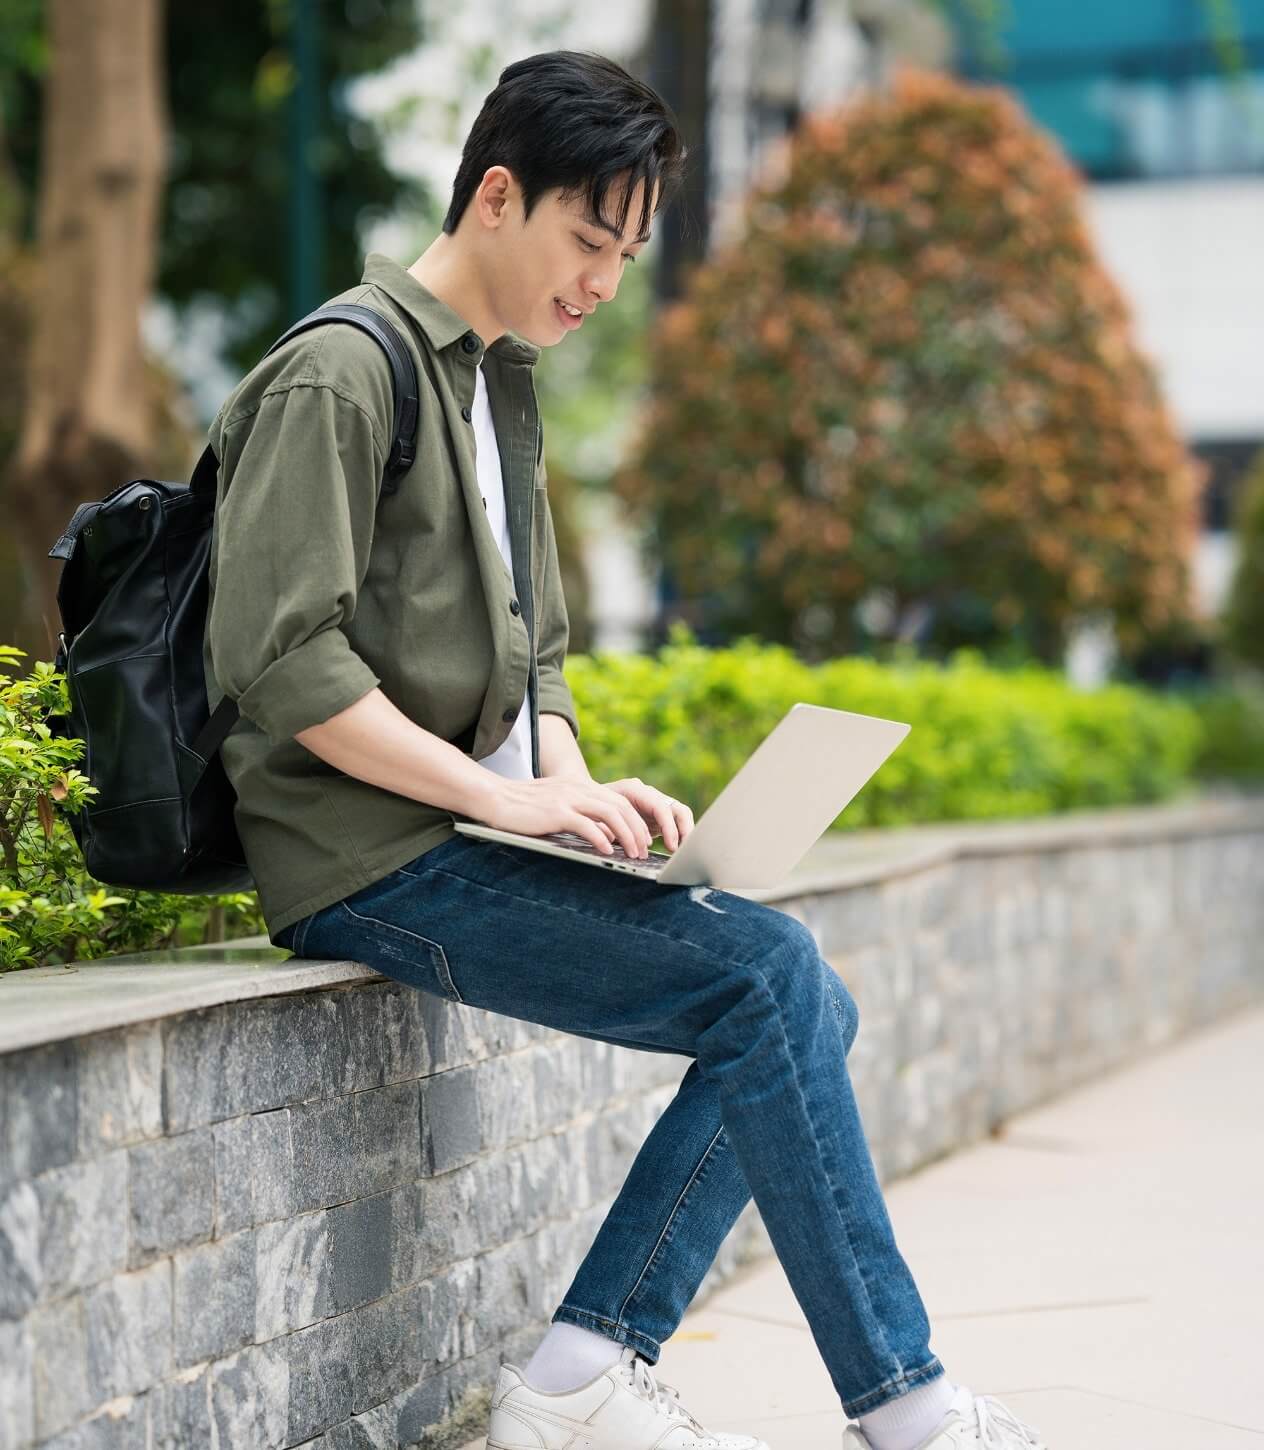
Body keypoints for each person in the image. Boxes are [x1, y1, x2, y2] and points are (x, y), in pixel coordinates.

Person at [202, 48, 1046, 1450]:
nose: (602, 283)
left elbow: (534, 661)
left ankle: (583, 1364)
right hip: (359, 850)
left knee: (799, 993)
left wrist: (580, 789)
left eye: (625, 255)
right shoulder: (341, 373)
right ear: (494, 195)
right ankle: (902, 1402)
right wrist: (499, 798)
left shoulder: (502, 390)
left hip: (454, 830)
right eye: (588, 240)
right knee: (770, 974)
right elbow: (283, 664)